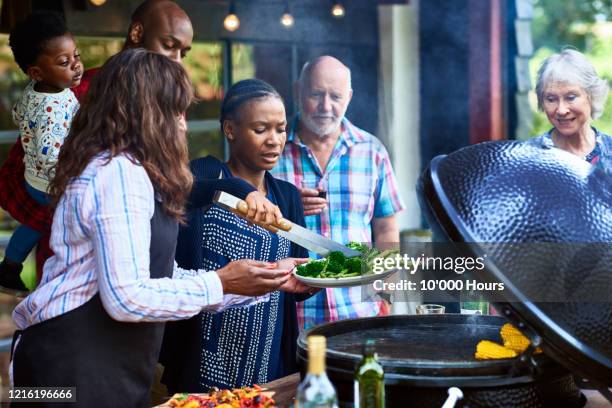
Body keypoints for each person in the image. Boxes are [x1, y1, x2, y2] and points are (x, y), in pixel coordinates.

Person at [10, 49, 303, 408]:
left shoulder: (135, 173)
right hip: (65, 369)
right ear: (146, 112)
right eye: (176, 112)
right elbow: (127, 298)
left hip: (100, 366)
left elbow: (162, 276)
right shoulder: (117, 173)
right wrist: (221, 282)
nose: (183, 125)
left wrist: (262, 280)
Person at [0, 0, 197, 291]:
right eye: (169, 45)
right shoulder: (75, 92)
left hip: (145, 273)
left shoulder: (172, 105)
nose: (177, 60)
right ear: (137, 32)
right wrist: (71, 221)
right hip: (71, 278)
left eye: (184, 52)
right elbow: (12, 180)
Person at [161, 79, 312, 392]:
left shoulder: (287, 196)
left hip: (268, 361)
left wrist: (314, 281)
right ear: (230, 130)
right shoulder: (206, 173)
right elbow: (183, 193)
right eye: (261, 129)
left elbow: (297, 283)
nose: (274, 140)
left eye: (281, 129)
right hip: (200, 357)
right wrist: (239, 189)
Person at [271, 56, 406, 330]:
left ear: (350, 97)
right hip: (289, 316)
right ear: (298, 91)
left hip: (358, 311)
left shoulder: (372, 151)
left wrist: (386, 294)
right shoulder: (271, 151)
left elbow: (387, 231)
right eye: (316, 94)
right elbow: (248, 226)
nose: (326, 106)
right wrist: (286, 205)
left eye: (336, 96)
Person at [0, 11, 83, 295]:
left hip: (33, 176)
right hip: (49, 184)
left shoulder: (39, 90)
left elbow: (17, 113)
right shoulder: (51, 111)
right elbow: (51, 157)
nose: (76, 66)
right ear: (36, 71)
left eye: (76, 56)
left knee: (32, 225)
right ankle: (45, 278)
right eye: (64, 62)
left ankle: (10, 265)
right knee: (48, 228)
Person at [528, 49, 611, 163]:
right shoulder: (529, 157)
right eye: (551, 99)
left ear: (592, 95)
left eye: (571, 97)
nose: (561, 110)